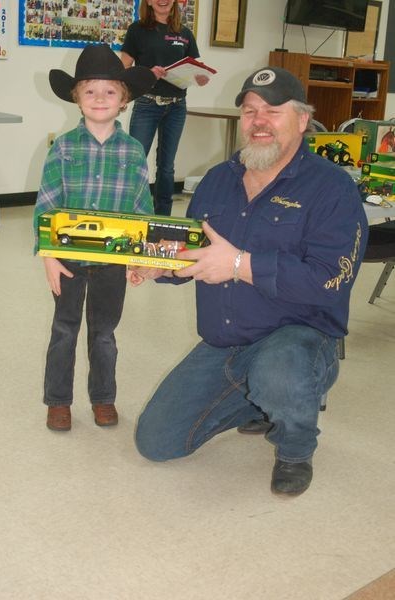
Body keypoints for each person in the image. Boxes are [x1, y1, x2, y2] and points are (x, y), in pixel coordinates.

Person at [127, 66, 369, 497]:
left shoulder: (332, 188)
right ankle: (258, 399)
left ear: (302, 120)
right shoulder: (218, 180)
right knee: (157, 442)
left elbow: (331, 280)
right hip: (228, 341)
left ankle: (294, 445)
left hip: (301, 338)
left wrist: (240, 264)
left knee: (279, 371)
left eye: (273, 111)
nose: (259, 121)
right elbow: (198, 250)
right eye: (250, 111)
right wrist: (163, 267)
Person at [33, 44, 156, 432]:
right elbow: (46, 205)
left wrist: (141, 256)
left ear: (124, 100)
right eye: (90, 91)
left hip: (112, 262)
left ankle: (103, 397)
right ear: (76, 97)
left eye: (110, 91)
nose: (99, 98)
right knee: (64, 330)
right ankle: (58, 401)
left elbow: (142, 208)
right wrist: (49, 257)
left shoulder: (134, 152)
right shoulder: (63, 148)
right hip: (67, 260)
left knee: (104, 333)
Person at [120, 0, 210, 216]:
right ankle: (131, 213)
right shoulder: (137, 30)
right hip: (147, 104)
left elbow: (193, 68)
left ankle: (163, 217)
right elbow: (123, 69)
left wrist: (199, 77)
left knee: (167, 167)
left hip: (176, 107)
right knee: (135, 162)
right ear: (149, 2)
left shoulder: (185, 33)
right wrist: (147, 74)